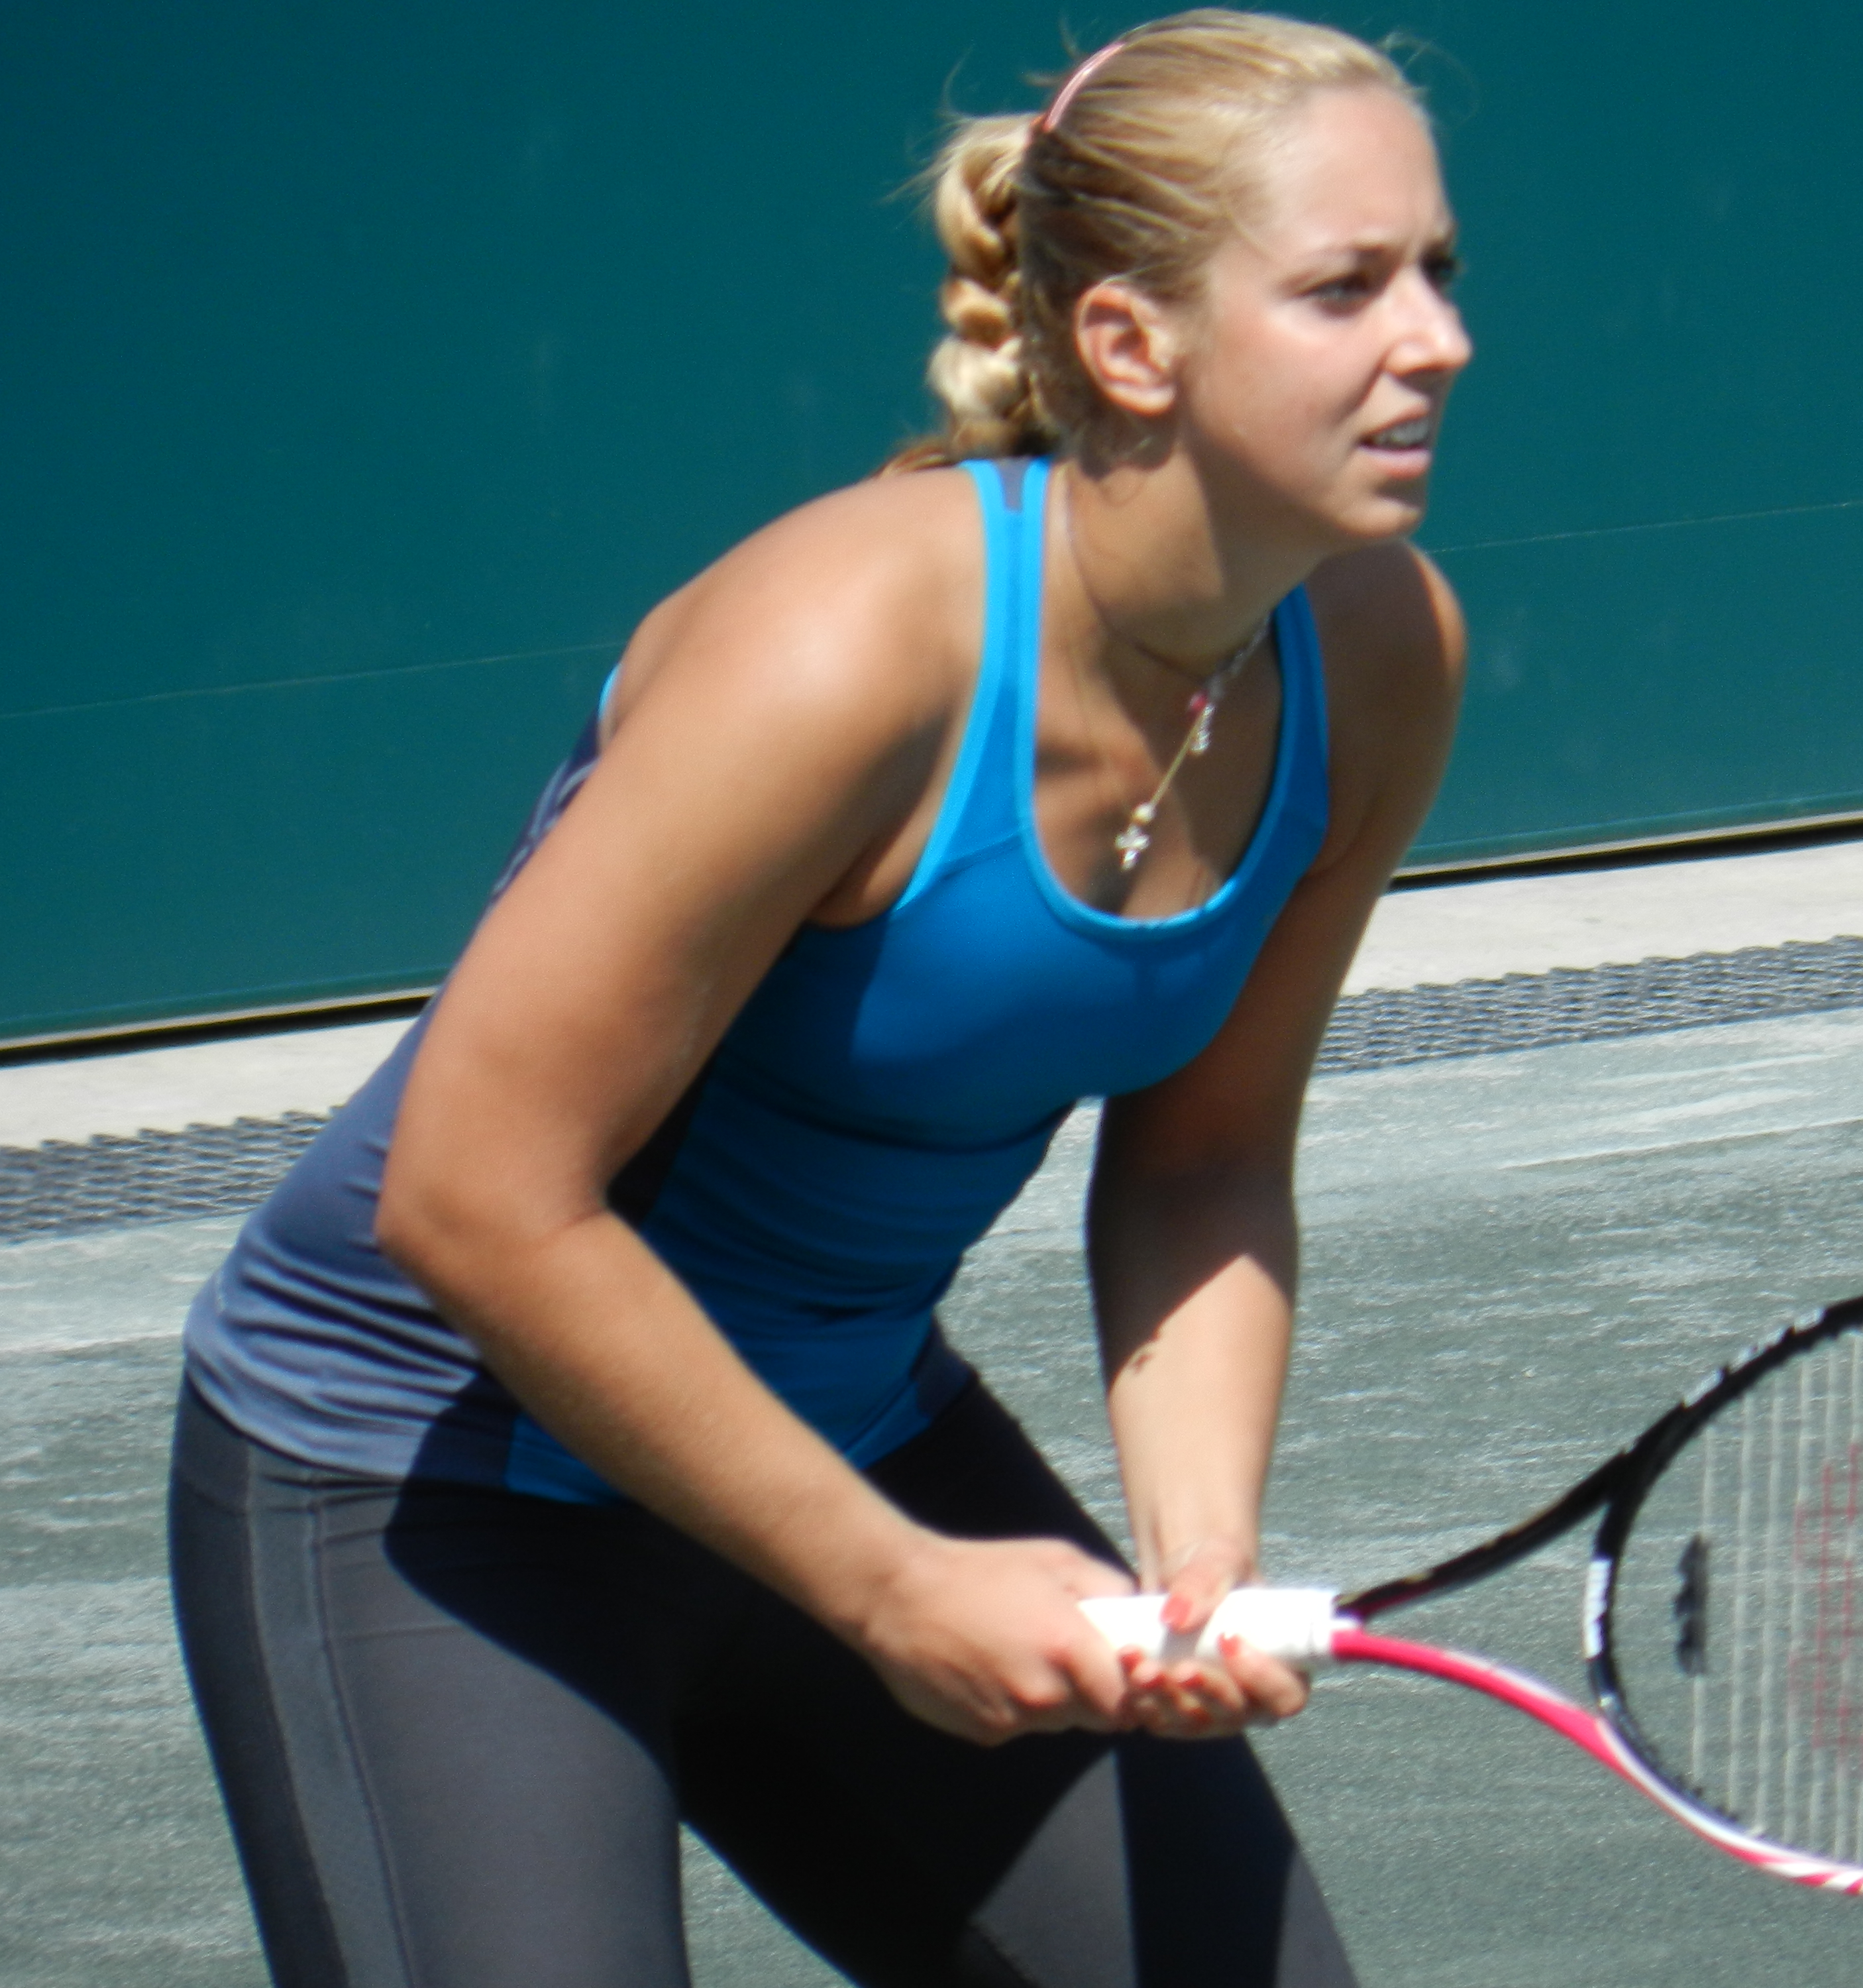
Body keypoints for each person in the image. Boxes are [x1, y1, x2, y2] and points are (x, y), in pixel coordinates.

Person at [165, 11, 1471, 1984]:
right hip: (417, 1477)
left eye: (1440, 270)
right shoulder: (845, 644)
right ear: (1132, 344)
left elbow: (1202, 1159)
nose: (1436, 339)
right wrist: (884, 1585)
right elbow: (476, 1197)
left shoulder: (1378, 654)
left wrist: (1196, 1559)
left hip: (850, 1431)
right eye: (1346, 288)